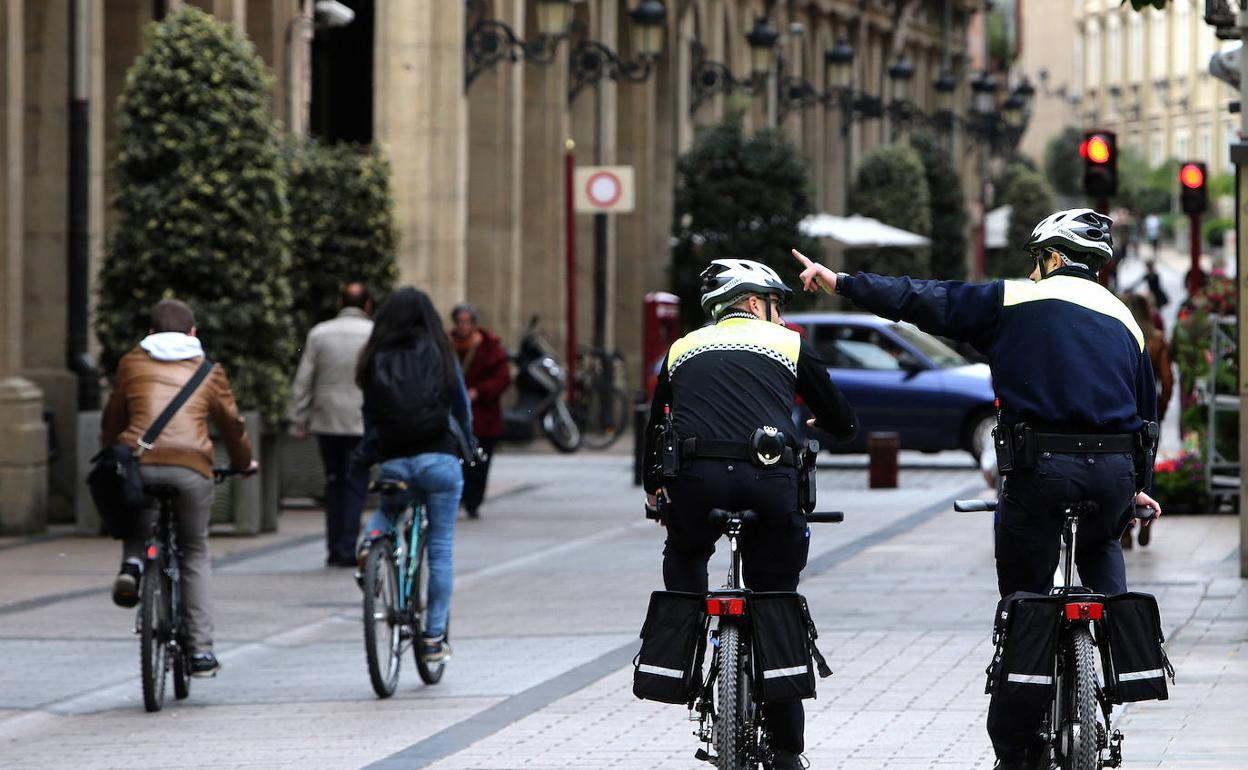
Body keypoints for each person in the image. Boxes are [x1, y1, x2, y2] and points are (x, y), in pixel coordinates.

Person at [792, 208, 1162, 770]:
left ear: (1055, 258)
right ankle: (1112, 664)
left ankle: (1017, 751)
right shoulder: (1126, 319)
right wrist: (1139, 488)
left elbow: (924, 299)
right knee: (1101, 542)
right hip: (1112, 472)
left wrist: (842, 282)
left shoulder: (1013, 300)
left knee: (1024, 599)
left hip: (1040, 470)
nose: (1034, 271)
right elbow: (1147, 417)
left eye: (1038, 260)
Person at [643, 259, 858, 770]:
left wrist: (656, 491)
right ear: (754, 303)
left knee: (687, 552)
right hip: (769, 483)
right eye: (775, 303)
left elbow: (655, 430)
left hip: (694, 483)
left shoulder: (681, 348)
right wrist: (818, 420)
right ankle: (786, 751)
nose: (779, 314)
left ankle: (688, 646)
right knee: (774, 598)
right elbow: (843, 422)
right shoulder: (789, 345)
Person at [101, 299, 257, 678]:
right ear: (193, 333)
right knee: (193, 552)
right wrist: (242, 464)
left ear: (150, 332)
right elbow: (232, 425)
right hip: (191, 468)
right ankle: (201, 652)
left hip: (141, 461)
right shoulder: (209, 371)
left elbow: (114, 416)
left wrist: (111, 453)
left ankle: (134, 563)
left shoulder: (131, 362)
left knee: (136, 508)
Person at [355, 287, 471, 663]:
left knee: (390, 508)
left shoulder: (374, 357)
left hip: (395, 461)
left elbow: (370, 415)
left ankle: (371, 541)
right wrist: (469, 444)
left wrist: (373, 450)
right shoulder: (441, 352)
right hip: (438, 459)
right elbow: (461, 407)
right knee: (439, 551)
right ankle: (433, 638)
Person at [287, 282, 374, 567]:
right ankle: (348, 546)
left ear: (341, 303)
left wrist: (298, 418)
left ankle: (334, 547)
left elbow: (304, 378)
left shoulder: (320, 333)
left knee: (334, 481)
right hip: (361, 420)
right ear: (367, 305)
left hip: (327, 420)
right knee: (356, 484)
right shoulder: (374, 333)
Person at [449, 303, 512, 519]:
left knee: (480, 462)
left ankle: (473, 501)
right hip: (456, 416)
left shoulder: (489, 346)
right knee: (458, 460)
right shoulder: (448, 344)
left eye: (467, 322)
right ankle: (458, 497)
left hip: (483, 417)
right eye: (460, 322)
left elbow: (502, 377)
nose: (463, 326)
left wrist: (480, 391)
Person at [1123, 292, 1173, 549]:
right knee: (1146, 466)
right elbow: (1167, 380)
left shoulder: (1120, 333)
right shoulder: (1155, 339)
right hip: (1147, 411)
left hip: (1122, 409)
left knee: (1122, 465)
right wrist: (1160, 409)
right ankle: (1146, 518)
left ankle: (1124, 531)